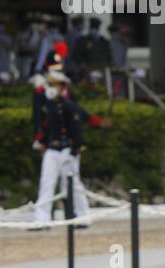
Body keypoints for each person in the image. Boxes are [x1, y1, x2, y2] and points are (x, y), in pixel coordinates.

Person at [31, 70, 110, 228]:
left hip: (67, 151)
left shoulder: (69, 106)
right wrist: (41, 142)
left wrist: (74, 152)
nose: (50, 88)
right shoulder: (46, 105)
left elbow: (77, 130)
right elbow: (44, 127)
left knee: (73, 186)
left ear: (62, 87)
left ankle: (83, 216)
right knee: (46, 184)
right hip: (52, 151)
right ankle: (42, 219)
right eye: (49, 84)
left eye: (53, 85)